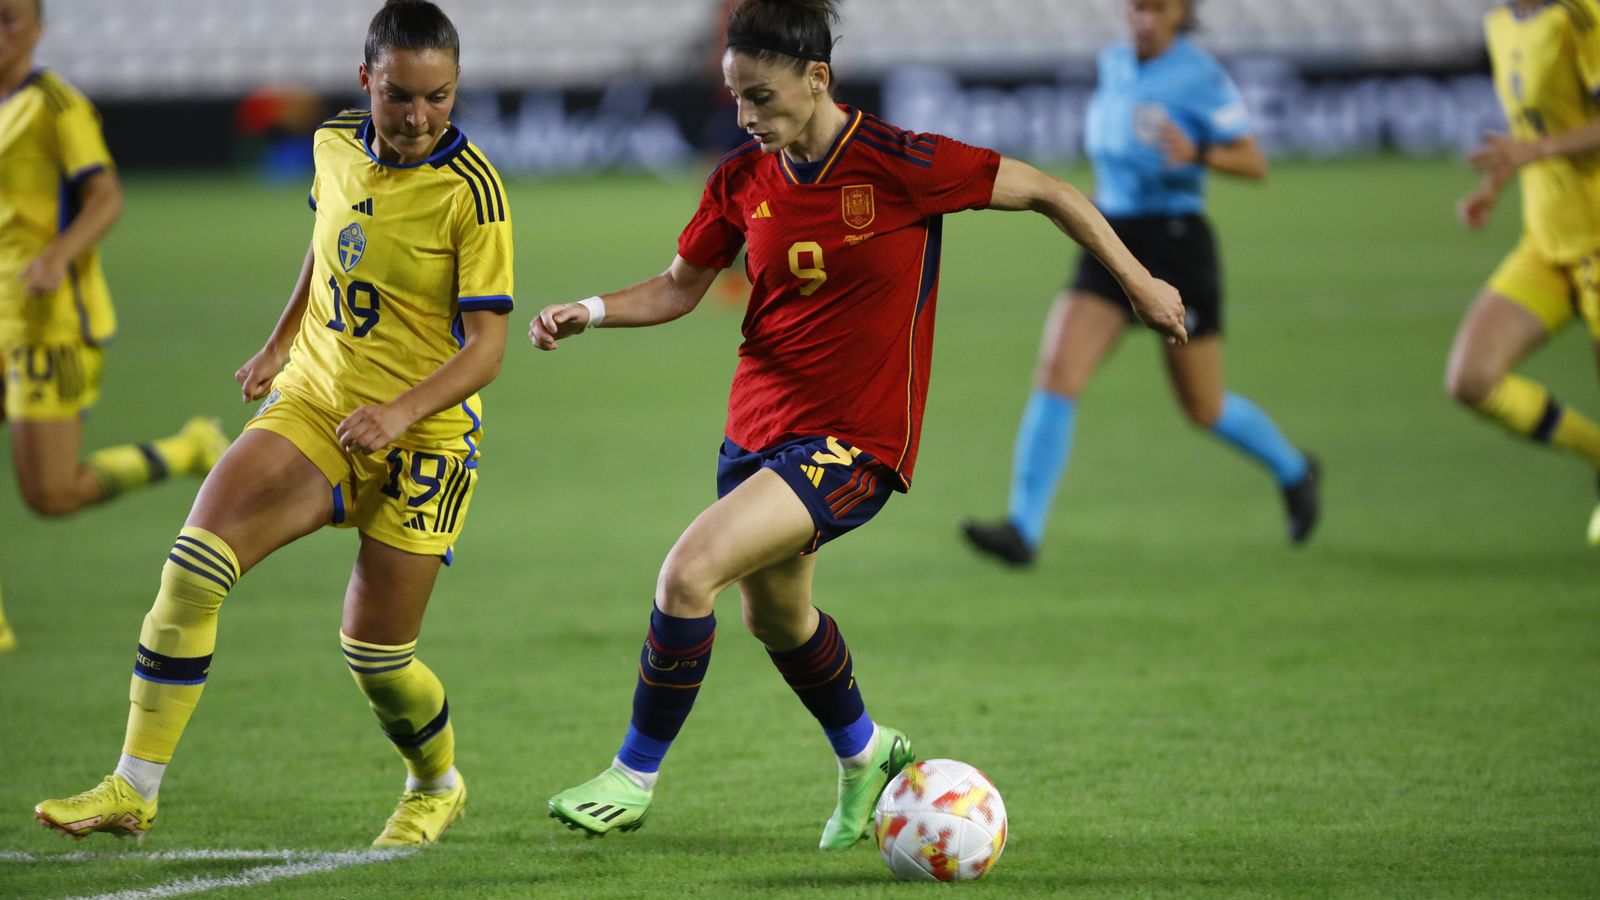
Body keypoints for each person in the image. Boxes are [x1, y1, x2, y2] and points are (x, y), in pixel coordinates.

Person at [530, 0, 1185, 849]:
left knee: (689, 575)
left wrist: (1138, 283)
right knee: (779, 619)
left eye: (761, 98)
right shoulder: (741, 179)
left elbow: (1050, 190)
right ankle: (867, 753)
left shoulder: (902, 162)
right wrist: (589, 309)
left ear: (817, 79)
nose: (745, 117)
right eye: (735, 97)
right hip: (756, 434)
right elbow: (679, 286)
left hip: (854, 444)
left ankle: (633, 773)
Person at [35, 0, 513, 846]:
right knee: (192, 568)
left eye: (438, 97)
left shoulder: (473, 193)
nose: (418, 117)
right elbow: (329, 243)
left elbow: (486, 349)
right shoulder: (333, 143)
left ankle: (436, 784)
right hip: (318, 402)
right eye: (400, 95)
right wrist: (280, 340)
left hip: (424, 437)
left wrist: (400, 411)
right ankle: (133, 787)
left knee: (377, 658)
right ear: (367, 80)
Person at [960, 0, 1320, 567]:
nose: (1143, 18)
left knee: (1201, 405)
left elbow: (1255, 162)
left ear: (1180, 14)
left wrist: (1196, 152)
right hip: (1113, 236)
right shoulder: (1115, 64)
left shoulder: (1200, 74)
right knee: (1057, 372)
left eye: (1156, 9)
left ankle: (1294, 470)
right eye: (1136, 7)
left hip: (1176, 240)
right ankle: (1022, 529)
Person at [0, 0, 228, 651]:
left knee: (51, 493)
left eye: (11, 19)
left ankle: (183, 450)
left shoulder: (56, 106)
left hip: (51, 324)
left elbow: (106, 196)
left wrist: (55, 257)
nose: (0, 32)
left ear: (38, 28)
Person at [1452, 0, 1600, 546]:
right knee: (1470, 380)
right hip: (1546, 242)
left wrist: (1535, 150)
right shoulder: (1498, 24)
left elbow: (1545, 137)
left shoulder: (1580, 16)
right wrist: (1496, 185)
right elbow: (1533, 124)